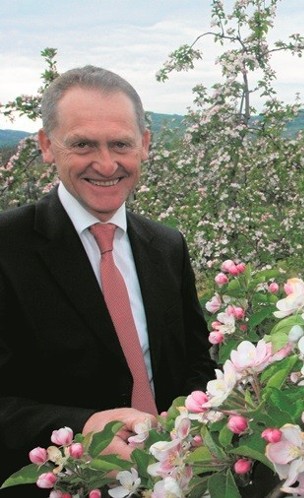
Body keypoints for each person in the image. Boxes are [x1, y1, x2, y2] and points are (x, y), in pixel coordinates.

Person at [0, 65, 217, 497]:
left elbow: (195, 364)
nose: (105, 164)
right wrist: (85, 427)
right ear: (47, 146)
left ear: (145, 146)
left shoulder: (167, 246)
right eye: (82, 144)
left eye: (121, 144)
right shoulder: (8, 248)